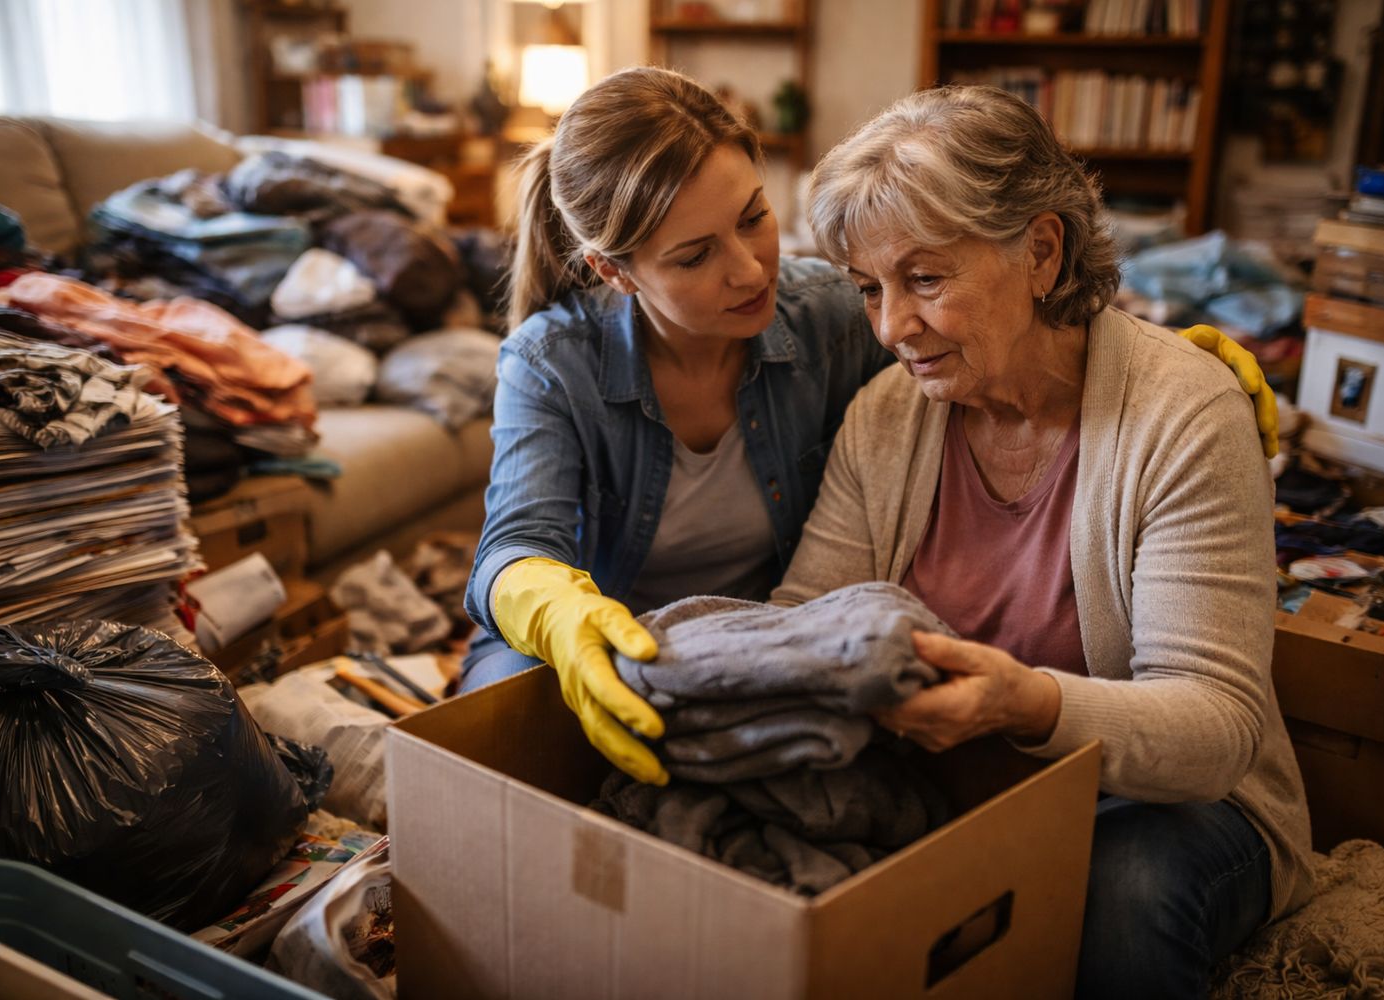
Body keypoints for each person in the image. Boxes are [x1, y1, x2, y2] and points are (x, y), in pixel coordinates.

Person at [462, 66, 1276, 793]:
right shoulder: (551, 362)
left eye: (754, 217)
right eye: (694, 256)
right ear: (614, 271)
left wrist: (1159, 362)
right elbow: (513, 545)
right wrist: (561, 616)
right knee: (504, 742)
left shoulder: (825, 312)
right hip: (614, 629)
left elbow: (1006, 305)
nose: (749, 268)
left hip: (763, 621)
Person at [772, 85, 1311, 998]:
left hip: (1174, 804)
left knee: (1120, 884)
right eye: (870, 289)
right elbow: (802, 615)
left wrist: (1025, 705)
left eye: (926, 279)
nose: (891, 327)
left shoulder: (1184, 415)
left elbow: (1215, 728)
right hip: (955, 789)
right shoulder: (887, 414)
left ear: (1042, 252)